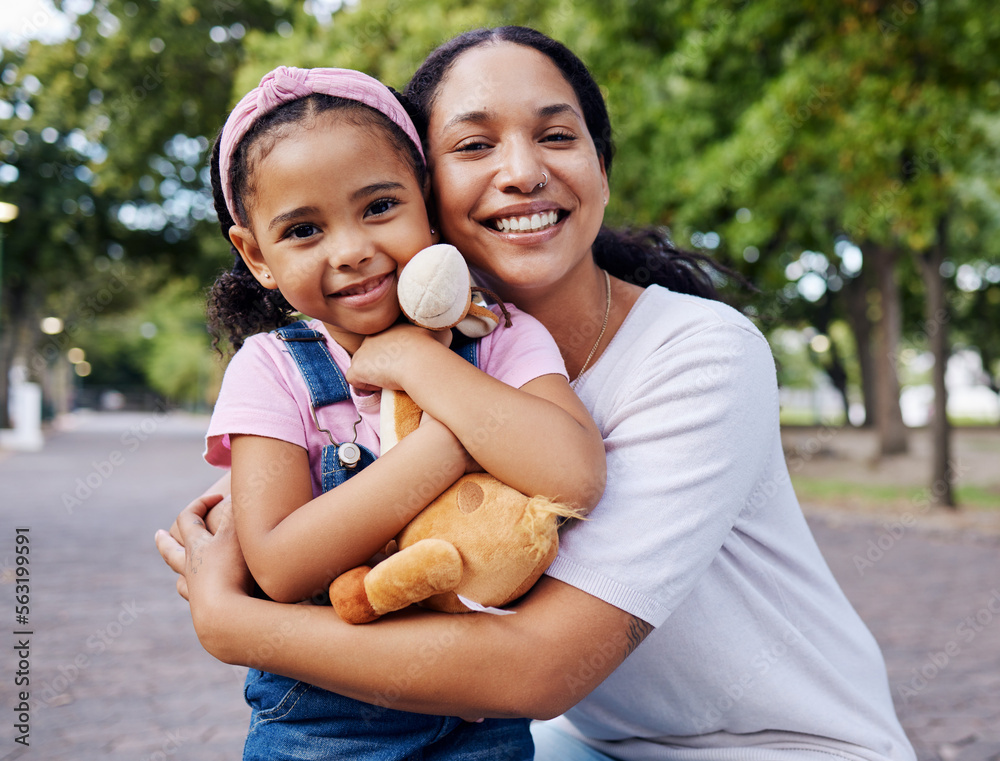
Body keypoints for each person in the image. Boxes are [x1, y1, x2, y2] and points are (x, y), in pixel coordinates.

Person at [159, 27, 917, 761]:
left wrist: (235, 625)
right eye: (474, 144)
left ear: (602, 170)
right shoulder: (323, 362)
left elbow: (537, 668)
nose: (521, 171)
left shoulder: (700, 353)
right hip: (585, 741)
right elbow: (288, 537)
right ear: (434, 186)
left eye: (557, 136)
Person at [194, 63, 606, 761]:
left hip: (482, 718)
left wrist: (418, 363)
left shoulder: (500, 335)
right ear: (256, 254)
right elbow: (282, 565)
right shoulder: (271, 370)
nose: (352, 250)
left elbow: (573, 476)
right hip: (321, 729)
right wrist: (447, 445)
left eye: (380, 207)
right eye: (303, 230)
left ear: (425, 200)